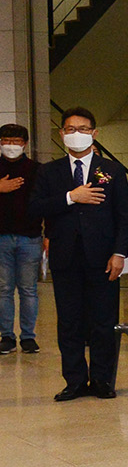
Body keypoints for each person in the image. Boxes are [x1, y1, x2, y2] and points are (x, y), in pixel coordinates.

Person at [30, 108, 128, 401]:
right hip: (65, 255)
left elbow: (125, 216)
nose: (77, 134)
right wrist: (70, 197)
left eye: (83, 129)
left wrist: (119, 253)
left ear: (94, 133)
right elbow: (35, 207)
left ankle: (102, 379)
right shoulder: (49, 171)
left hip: (103, 257)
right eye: (70, 129)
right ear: (61, 134)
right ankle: (74, 380)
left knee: (103, 320)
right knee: (69, 321)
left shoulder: (111, 170)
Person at [0, 125, 38, 355]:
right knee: (4, 289)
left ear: (24, 143)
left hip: (30, 236)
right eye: (6, 140)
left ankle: (28, 336)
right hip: (1, 236)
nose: (10, 145)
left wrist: (48, 236)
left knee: (28, 290)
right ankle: (6, 335)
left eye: (15, 141)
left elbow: (46, 203)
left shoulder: (36, 170)